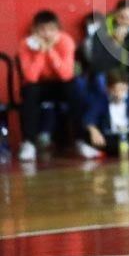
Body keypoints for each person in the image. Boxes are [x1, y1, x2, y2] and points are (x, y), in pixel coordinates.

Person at [16, 9, 84, 162]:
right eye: (42, 30)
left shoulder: (66, 41)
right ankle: (29, 143)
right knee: (29, 91)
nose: (47, 34)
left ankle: (81, 140)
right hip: (39, 86)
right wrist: (41, 52)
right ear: (34, 31)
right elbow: (30, 77)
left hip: (61, 84)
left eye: (51, 29)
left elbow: (66, 74)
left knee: (75, 87)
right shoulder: (25, 45)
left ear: (58, 29)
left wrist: (51, 51)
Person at [79, 67, 129, 159]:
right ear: (108, 88)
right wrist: (94, 131)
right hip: (110, 137)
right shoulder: (100, 100)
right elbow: (90, 117)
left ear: (127, 87)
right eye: (115, 90)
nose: (118, 93)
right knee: (85, 140)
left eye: (122, 89)